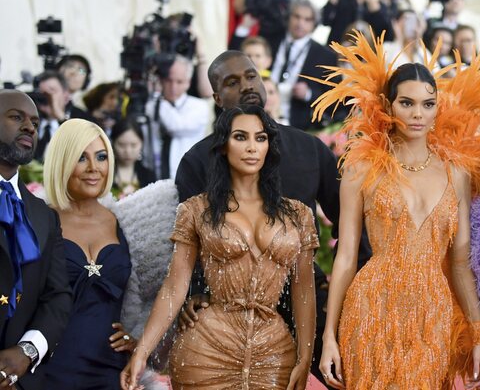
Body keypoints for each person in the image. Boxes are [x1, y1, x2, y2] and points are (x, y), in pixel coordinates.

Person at [313, 31, 480, 388]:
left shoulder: (455, 172)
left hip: (433, 312)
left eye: (428, 104)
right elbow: (346, 256)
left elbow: (459, 262)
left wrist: (478, 333)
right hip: (371, 307)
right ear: (388, 106)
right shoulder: (362, 168)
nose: (417, 114)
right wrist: (329, 337)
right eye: (406, 103)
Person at [175, 50, 358, 388]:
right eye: (232, 82)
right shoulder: (197, 161)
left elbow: (351, 228)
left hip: (307, 297)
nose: (246, 86)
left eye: (250, 76)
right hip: (230, 312)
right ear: (217, 97)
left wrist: (361, 287)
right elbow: (190, 244)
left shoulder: (308, 148)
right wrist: (196, 292)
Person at [121, 104, 318, 390]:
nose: (252, 147)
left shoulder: (298, 215)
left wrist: (305, 355)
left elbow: (304, 293)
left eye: (260, 138)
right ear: (224, 145)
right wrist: (142, 352)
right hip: (206, 349)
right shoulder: (197, 209)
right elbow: (175, 287)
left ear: (269, 147)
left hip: (274, 351)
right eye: (241, 137)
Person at [41, 119, 136, 389]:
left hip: (111, 371)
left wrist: (138, 339)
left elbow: (148, 295)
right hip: (50, 370)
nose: (94, 168)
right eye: (81, 158)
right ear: (62, 161)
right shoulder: (39, 219)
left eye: (101, 157)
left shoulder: (125, 222)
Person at [0, 89, 72, 390]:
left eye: (35, 122)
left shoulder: (44, 215)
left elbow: (58, 295)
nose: (30, 127)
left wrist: (27, 352)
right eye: (17, 117)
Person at [269, 0, 339, 129]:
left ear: (315, 24)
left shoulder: (325, 56)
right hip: (263, 115)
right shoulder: (271, 40)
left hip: (298, 126)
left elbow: (334, 100)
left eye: (307, 19)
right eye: (297, 16)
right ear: (288, 17)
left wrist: (309, 94)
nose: (300, 23)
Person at [145, 55, 210, 179]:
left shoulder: (199, 106)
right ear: (161, 80)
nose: (173, 87)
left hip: (187, 179)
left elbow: (176, 126)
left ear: (188, 83)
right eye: (168, 81)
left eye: (179, 82)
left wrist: (157, 96)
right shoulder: (151, 104)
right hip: (152, 177)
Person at [110, 120, 156, 199]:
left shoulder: (148, 176)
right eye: (122, 145)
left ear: (142, 143)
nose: (128, 151)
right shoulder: (104, 173)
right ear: (112, 143)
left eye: (133, 145)